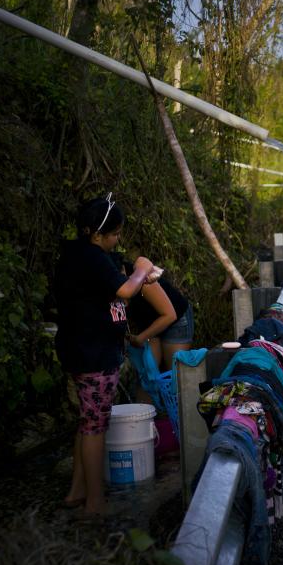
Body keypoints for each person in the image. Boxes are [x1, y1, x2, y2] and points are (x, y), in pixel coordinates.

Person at [54, 194, 159, 517]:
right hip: (93, 352)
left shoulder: (77, 255)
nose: (117, 240)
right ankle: (95, 502)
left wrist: (137, 278)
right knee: (96, 426)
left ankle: (78, 490)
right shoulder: (93, 257)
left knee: (88, 421)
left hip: (81, 347)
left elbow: (113, 293)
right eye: (114, 234)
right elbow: (125, 291)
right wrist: (142, 269)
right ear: (96, 234)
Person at [124, 260, 194, 372]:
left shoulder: (142, 280)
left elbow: (170, 316)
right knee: (149, 373)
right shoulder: (112, 282)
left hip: (174, 320)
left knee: (176, 375)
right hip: (150, 322)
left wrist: (140, 338)